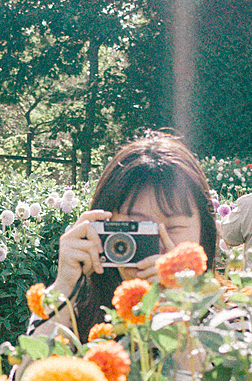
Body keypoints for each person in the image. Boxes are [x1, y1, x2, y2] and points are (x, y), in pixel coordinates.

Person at [33, 132, 219, 342]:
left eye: (173, 227)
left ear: (204, 232)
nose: (157, 244)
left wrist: (178, 309)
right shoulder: (71, 311)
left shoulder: (228, 321)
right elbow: (26, 374)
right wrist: (65, 285)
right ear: (102, 228)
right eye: (137, 227)